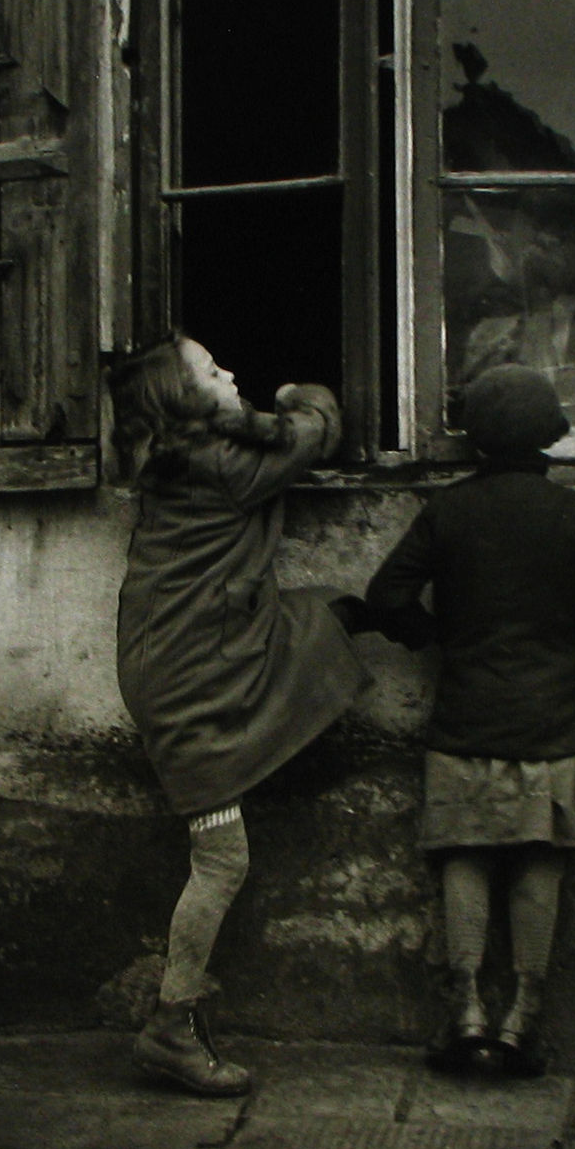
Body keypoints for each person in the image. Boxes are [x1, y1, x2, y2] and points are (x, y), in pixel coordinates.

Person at [364, 363, 575, 1076]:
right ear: (549, 435)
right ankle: (521, 1022)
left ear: (477, 440)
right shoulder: (574, 516)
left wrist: (432, 638)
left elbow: (385, 596)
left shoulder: (449, 512)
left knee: (463, 857)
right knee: (537, 862)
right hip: (548, 723)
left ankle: (465, 1016)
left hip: (464, 718)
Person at [109, 334, 375, 1097]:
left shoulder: (185, 457)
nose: (230, 372)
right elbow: (316, 431)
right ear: (184, 401)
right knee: (223, 861)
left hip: (194, 654)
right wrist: (301, 393)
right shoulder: (223, 464)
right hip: (192, 678)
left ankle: (172, 1026)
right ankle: (170, 1026)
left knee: (324, 614)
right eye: (211, 370)